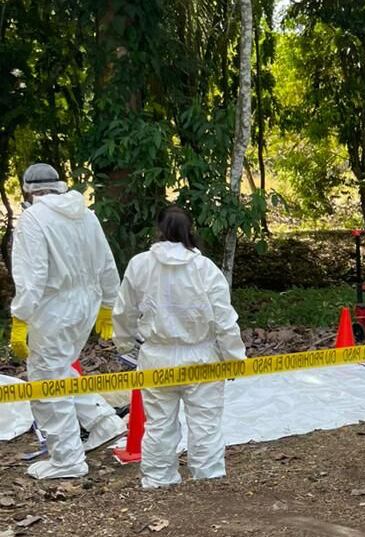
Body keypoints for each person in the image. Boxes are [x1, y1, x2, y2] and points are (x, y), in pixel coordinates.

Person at [112, 206, 246, 488]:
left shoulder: (140, 264)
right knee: (205, 422)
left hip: (157, 357)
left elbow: (124, 310)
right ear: (190, 230)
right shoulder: (204, 269)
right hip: (202, 356)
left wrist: (124, 343)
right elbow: (224, 318)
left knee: (159, 424)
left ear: (159, 229)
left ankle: (159, 480)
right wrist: (234, 357)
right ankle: (207, 479)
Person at [9, 163, 125, 479]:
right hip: (85, 306)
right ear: (59, 185)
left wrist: (20, 318)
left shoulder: (33, 219)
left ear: (28, 190)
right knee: (62, 369)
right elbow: (106, 262)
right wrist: (107, 305)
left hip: (53, 309)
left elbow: (32, 278)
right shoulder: (85, 214)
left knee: (47, 381)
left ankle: (67, 459)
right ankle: (104, 422)